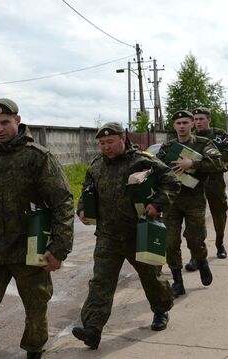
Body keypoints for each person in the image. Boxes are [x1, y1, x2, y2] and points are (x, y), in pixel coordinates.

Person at [0, 98, 74, 359]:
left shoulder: (38, 157)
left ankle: (34, 350)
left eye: (4, 123)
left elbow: (62, 201)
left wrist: (59, 249)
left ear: (17, 121)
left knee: (35, 309)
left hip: (30, 251)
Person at [72, 122, 180, 350]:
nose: (106, 147)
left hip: (139, 232)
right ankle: (92, 329)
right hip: (107, 236)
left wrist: (157, 204)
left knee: (150, 276)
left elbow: (171, 181)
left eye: (110, 142)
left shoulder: (141, 160)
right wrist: (82, 209)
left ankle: (161, 310)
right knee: (100, 282)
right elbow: (86, 190)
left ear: (123, 138)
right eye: (102, 143)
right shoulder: (96, 166)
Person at [156, 110, 224, 298]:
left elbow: (219, 164)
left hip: (194, 200)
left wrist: (192, 164)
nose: (182, 126)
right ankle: (178, 282)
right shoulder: (167, 147)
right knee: (170, 243)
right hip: (171, 201)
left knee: (195, 240)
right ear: (174, 126)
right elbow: (156, 168)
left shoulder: (203, 144)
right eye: (178, 123)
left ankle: (201, 261)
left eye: (186, 122)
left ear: (192, 124)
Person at [183, 107, 228, 269]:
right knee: (194, 221)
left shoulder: (218, 135)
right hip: (193, 182)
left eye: (201, 119)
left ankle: (219, 242)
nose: (198, 122)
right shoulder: (188, 137)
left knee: (219, 214)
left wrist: (215, 162)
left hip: (214, 180)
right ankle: (195, 255)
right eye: (196, 119)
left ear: (208, 120)